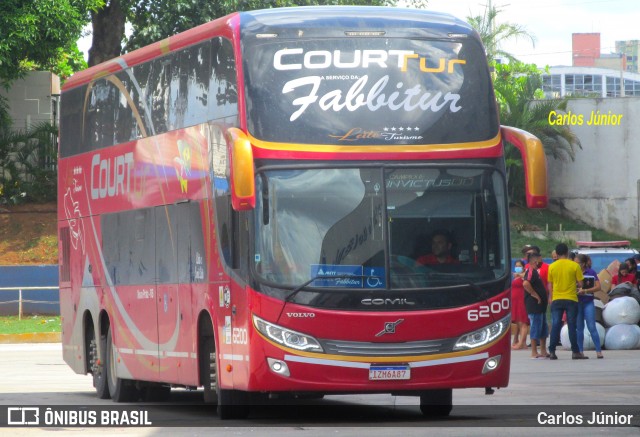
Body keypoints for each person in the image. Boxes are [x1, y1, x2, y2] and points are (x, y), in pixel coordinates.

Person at [547, 243, 584, 360]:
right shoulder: (574, 266)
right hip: (571, 299)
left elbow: (550, 284)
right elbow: (581, 283)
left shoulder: (551, 266)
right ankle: (575, 352)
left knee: (556, 325)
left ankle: (552, 351)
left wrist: (551, 297)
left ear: (556, 254)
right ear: (567, 253)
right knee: (572, 325)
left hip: (557, 299)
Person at [575, 254, 603, 359]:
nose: (575, 264)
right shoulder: (573, 272)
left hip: (588, 301)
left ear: (583, 263)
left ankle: (598, 351)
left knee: (592, 327)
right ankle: (580, 351)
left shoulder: (591, 272)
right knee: (579, 328)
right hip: (577, 302)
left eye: (577, 263)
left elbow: (598, 286)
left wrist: (586, 290)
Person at [523, 252, 549, 359]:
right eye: (539, 259)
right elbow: (525, 283)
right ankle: (534, 351)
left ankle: (543, 350)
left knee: (543, 328)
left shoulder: (535, 272)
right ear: (535, 261)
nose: (541, 261)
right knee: (535, 327)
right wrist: (535, 295)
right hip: (534, 306)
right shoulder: (530, 271)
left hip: (541, 306)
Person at [511, 260, 529, 350]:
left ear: (523, 267)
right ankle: (521, 341)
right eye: (516, 266)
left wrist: (519, 275)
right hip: (515, 301)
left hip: (522, 300)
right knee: (518, 322)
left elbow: (526, 278)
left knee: (523, 322)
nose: (517, 268)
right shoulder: (515, 276)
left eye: (519, 266)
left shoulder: (524, 274)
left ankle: (521, 343)